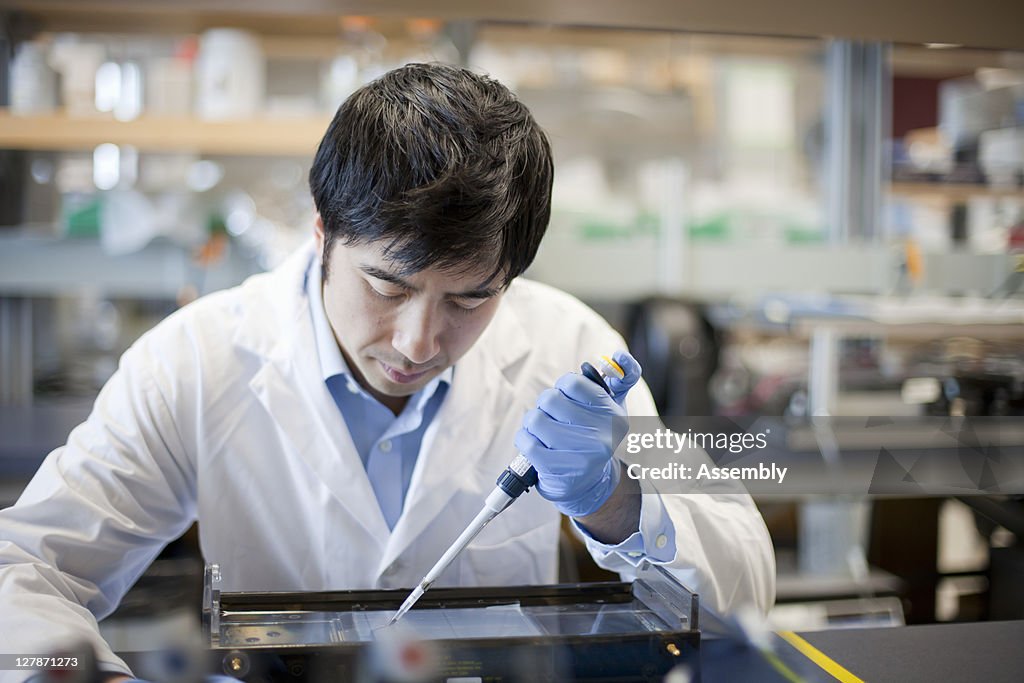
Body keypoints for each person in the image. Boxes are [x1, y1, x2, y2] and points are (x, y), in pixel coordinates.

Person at [0, 63, 774, 680]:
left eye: (471, 298)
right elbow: (24, 568)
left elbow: (745, 592)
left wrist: (617, 501)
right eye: (387, 286)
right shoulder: (193, 361)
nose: (418, 339)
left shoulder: (571, 346)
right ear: (322, 231)